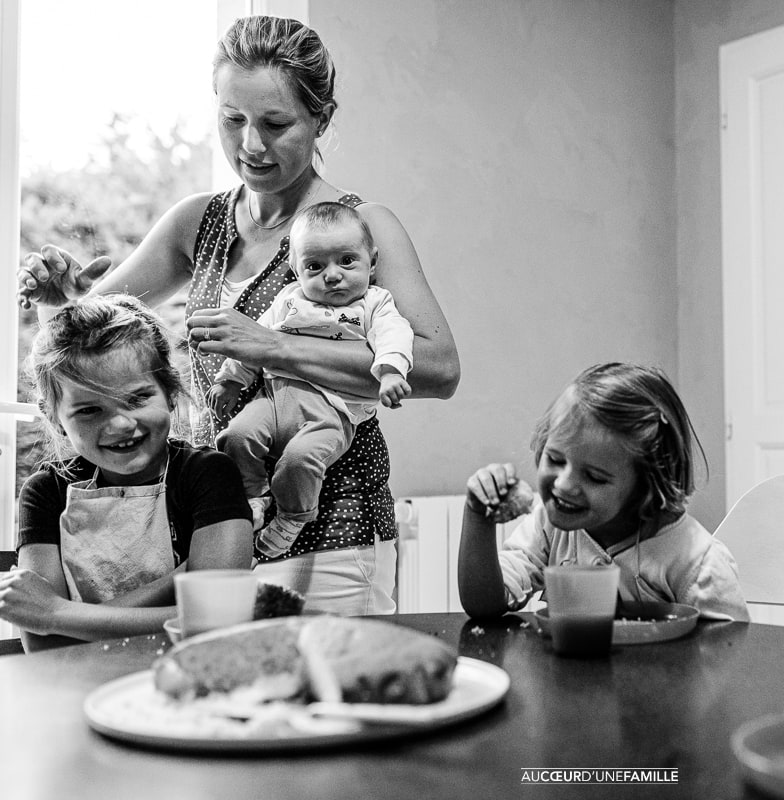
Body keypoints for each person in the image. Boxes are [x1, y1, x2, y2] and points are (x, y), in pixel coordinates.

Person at [16, 16, 459, 615]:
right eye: (233, 120)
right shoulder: (197, 222)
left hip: (330, 540)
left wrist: (271, 346)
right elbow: (90, 343)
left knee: (321, 701)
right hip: (211, 536)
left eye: (276, 124)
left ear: (321, 119)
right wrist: (58, 305)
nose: (251, 145)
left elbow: (438, 367)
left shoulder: (363, 228)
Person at [0, 295, 252, 652]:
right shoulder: (44, 491)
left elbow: (215, 622)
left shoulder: (208, 473)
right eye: (89, 410)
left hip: (191, 679)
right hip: (74, 689)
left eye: (136, 399)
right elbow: (43, 645)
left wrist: (57, 614)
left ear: (170, 391)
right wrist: (175, 582)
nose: (119, 424)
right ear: (54, 416)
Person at [458, 362, 749, 621]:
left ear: (647, 486)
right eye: (556, 460)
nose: (562, 484)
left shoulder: (697, 563)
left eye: (595, 477)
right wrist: (478, 517)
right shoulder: (548, 528)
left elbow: (728, 657)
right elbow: (484, 605)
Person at [211, 202, 414, 558]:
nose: (332, 275)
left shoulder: (374, 303)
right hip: (273, 399)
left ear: (373, 260)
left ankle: (292, 517)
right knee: (235, 436)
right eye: (315, 266)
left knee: (300, 462)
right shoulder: (289, 299)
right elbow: (255, 340)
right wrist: (231, 380)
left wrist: (391, 372)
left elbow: (395, 336)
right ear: (295, 269)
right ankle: (253, 498)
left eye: (347, 261)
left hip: (331, 412)